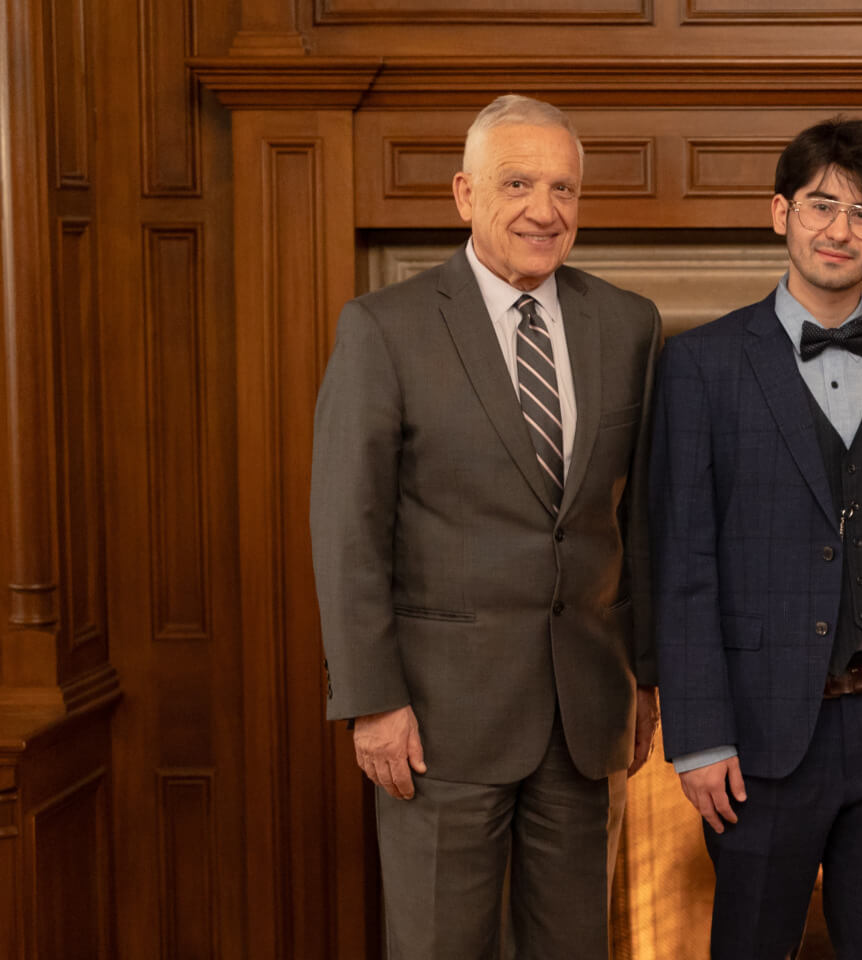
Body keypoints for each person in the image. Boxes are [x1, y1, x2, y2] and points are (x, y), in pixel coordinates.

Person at [310, 94, 662, 958]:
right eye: (518, 184)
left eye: (564, 189)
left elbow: (643, 519)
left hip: (586, 713)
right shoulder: (384, 328)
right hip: (436, 719)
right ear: (465, 194)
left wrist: (647, 676)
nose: (545, 210)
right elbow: (347, 525)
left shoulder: (629, 325)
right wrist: (372, 702)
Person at [650, 116, 862, 960]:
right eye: (821, 205)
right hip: (758, 733)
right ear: (780, 212)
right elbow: (681, 559)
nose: (840, 229)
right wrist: (699, 733)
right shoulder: (703, 365)